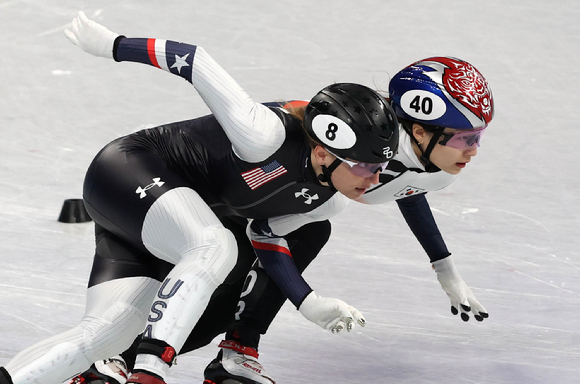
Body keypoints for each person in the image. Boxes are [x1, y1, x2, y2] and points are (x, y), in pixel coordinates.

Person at [0, 11, 400, 384]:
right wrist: (112, 44)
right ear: (322, 152)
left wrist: (307, 301)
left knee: (102, 337)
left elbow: (266, 236)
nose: (375, 177)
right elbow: (194, 60)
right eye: (365, 166)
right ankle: (151, 371)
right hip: (126, 172)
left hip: (153, 226)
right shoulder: (264, 134)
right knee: (216, 245)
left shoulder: (330, 199)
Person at [68, 56, 495, 384]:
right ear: (420, 131)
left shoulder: (429, 165)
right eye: (467, 137)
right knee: (287, 235)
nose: (474, 150)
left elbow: (410, 188)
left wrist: (446, 269)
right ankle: (111, 359)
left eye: (478, 137)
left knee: (300, 236)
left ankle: (235, 352)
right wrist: (306, 301)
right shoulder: (366, 142)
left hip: (243, 204)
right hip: (192, 185)